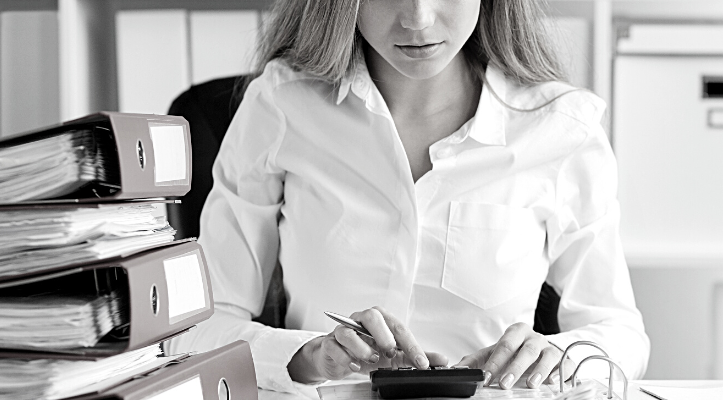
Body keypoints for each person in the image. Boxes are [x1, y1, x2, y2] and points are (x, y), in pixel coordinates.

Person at [168, 0, 649, 393]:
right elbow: (199, 328)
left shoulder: (561, 129)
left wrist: (559, 355)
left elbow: (621, 333)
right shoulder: (281, 105)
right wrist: (308, 357)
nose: (418, 19)